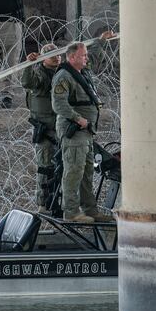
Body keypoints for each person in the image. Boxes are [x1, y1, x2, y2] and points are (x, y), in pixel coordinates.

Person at [50, 38, 115, 223]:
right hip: (74, 130)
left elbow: (93, 57)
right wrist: (79, 119)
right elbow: (58, 104)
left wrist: (101, 41)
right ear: (71, 57)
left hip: (85, 131)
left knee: (87, 171)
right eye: (83, 55)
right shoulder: (64, 76)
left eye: (86, 54)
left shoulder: (82, 72)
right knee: (73, 171)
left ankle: (90, 209)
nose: (86, 58)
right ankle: (71, 212)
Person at [24, 43, 61, 212]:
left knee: (64, 167)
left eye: (59, 54)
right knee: (45, 168)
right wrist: (29, 64)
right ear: (43, 58)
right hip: (46, 129)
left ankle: (59, 202)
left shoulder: (64, 74)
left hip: (63, 127)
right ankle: (43, 203)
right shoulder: (39, 73)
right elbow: (28, 82)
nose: (56, 57)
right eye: (52, 55)